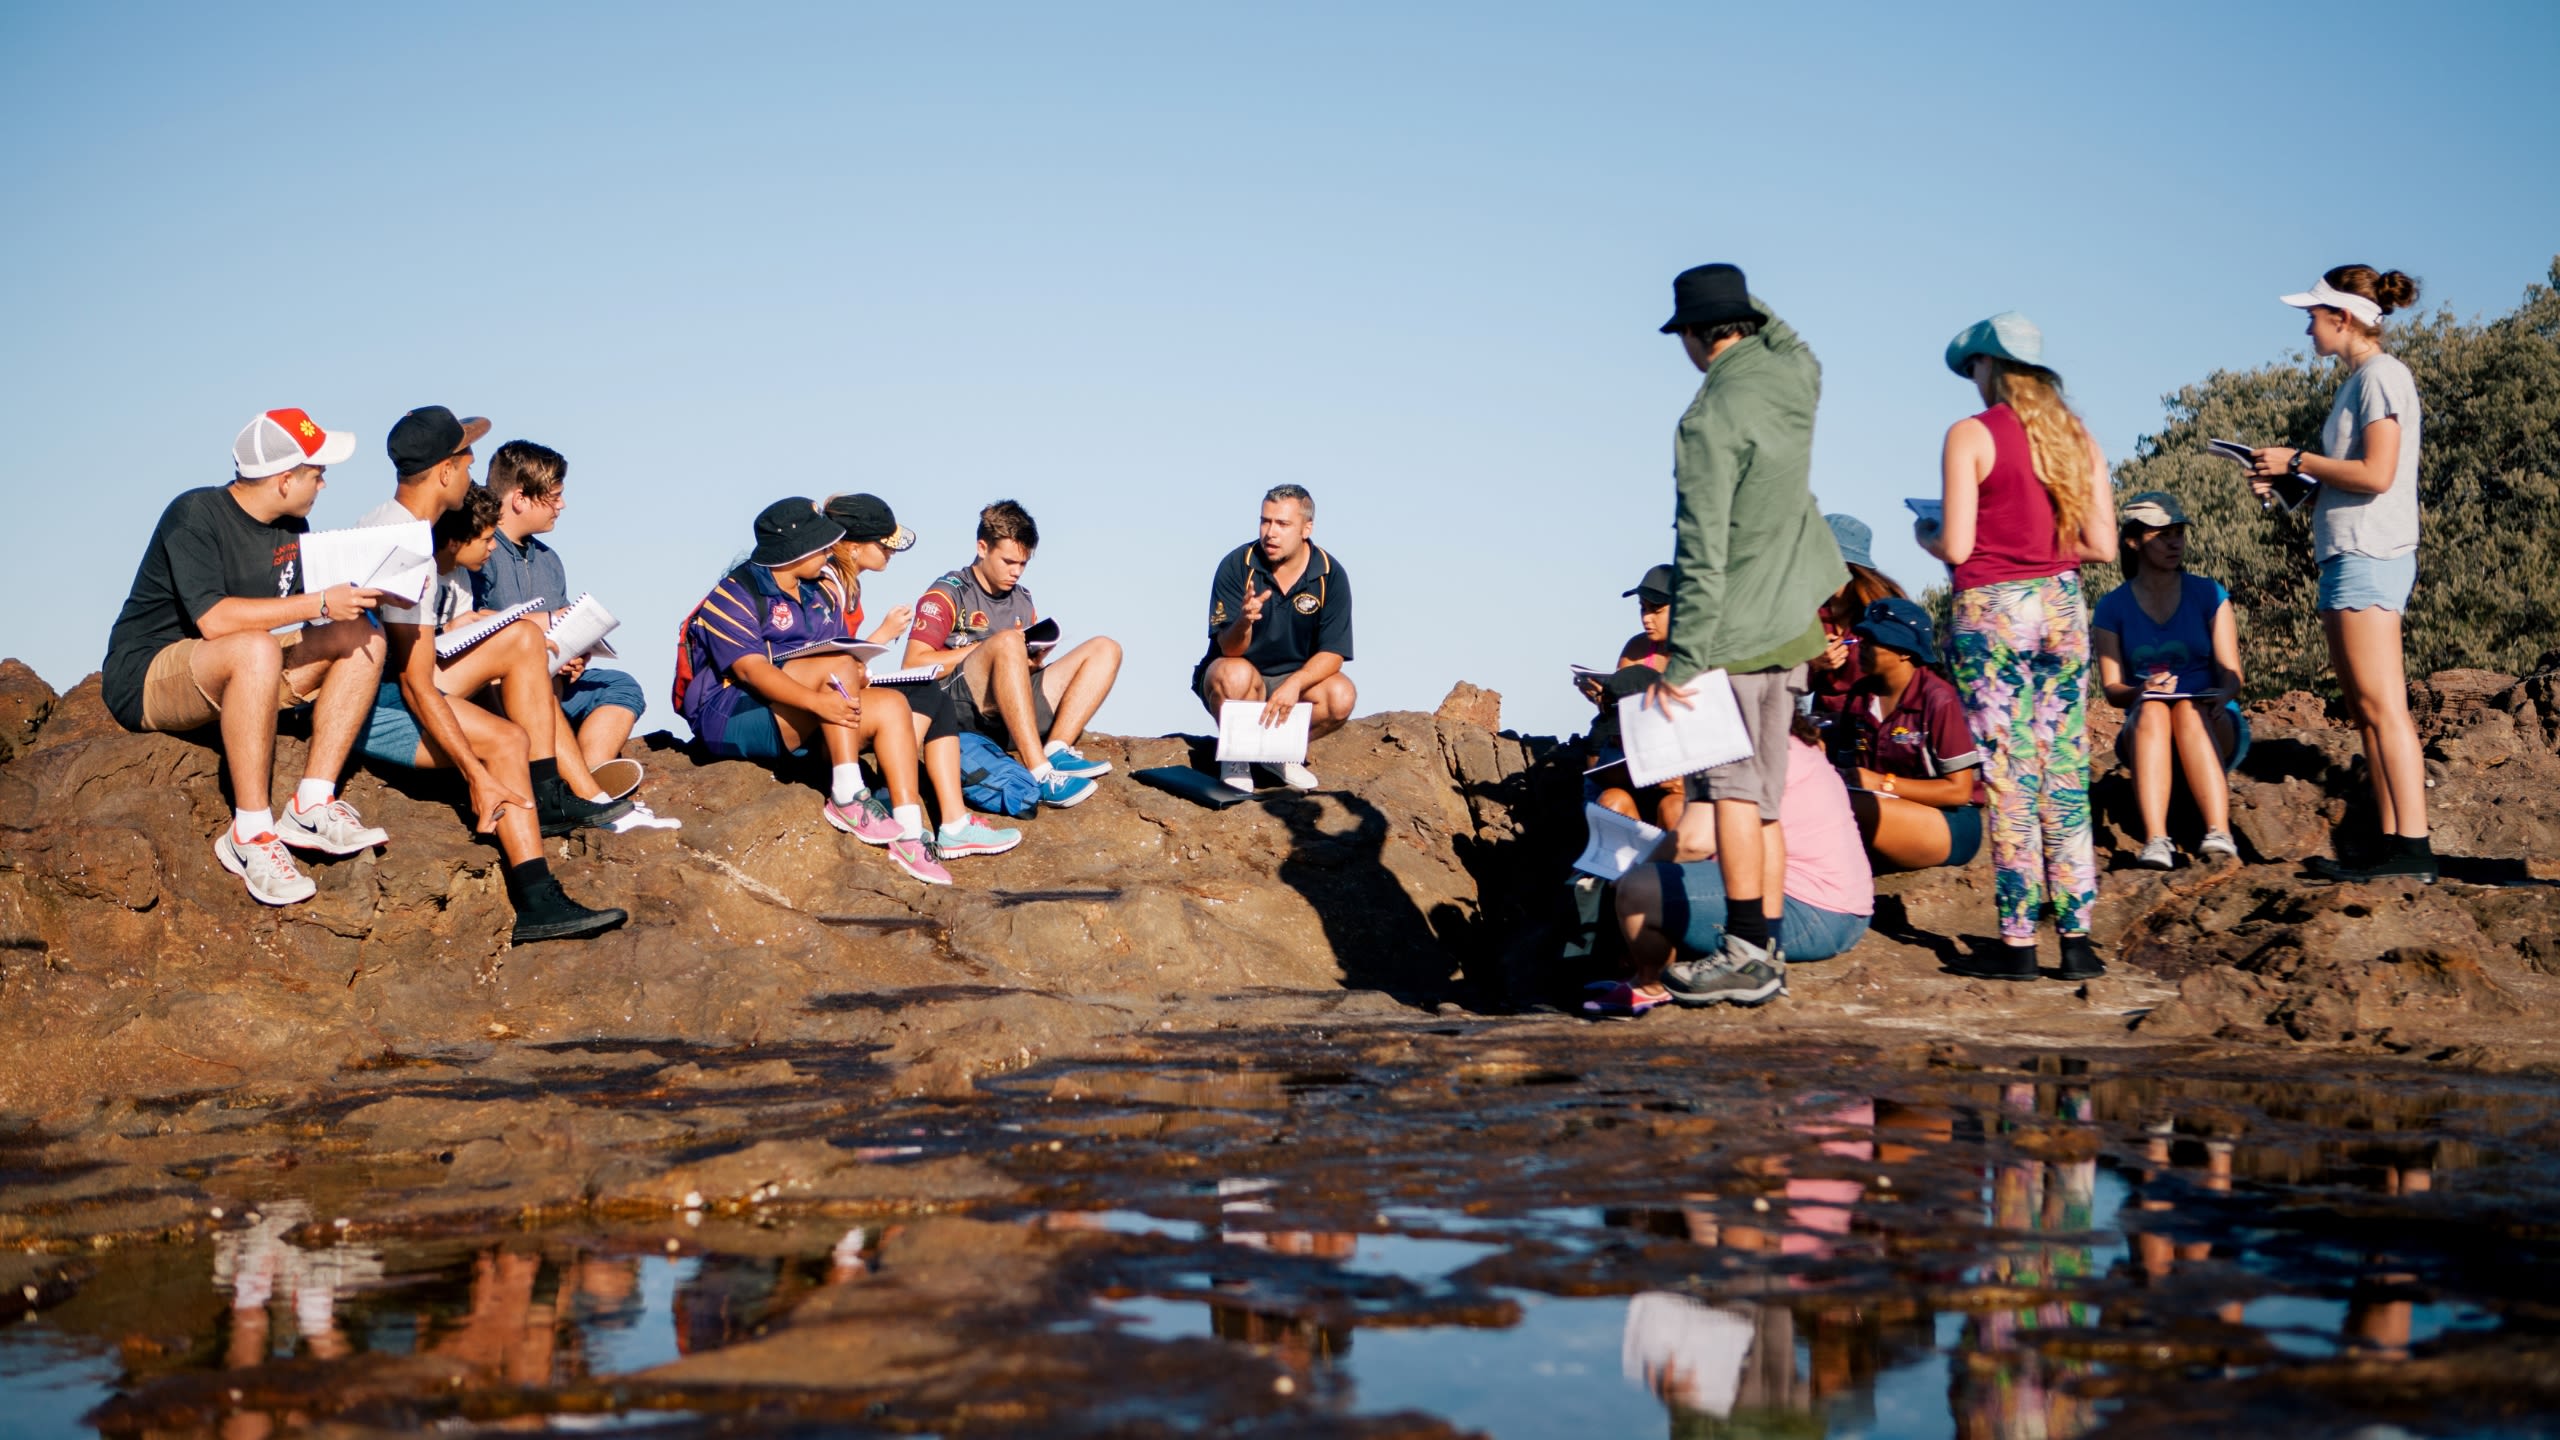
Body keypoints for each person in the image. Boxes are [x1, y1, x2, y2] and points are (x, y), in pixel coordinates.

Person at [1644, 263, 1847, 1008]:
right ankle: (1765, 952)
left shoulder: (1707, 419)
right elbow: (1795, 341)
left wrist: (1683, 660)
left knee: (1731, 796)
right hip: (1793, 623)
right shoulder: (1793, 379)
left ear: (1695, 337)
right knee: (1764, 800)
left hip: (1732, 634)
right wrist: (1736, 298)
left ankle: (1742, 953)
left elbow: (1701, 549)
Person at [350, 406, 625, 942]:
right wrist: (475, 775)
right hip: (372, 703)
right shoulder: (404, 545)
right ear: (446, 472)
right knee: (502, 739)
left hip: (397, 684)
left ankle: (542, 833)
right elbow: (412, 679)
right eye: (468, 461)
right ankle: (537, 891)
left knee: (519, 657)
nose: (477, 477)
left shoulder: (404, 528)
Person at [101, 409, 391, 906]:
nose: (324, 483)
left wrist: (363, 596)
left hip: (236, 668)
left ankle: (312, 804)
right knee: (256, 647)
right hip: (149, 671)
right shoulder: (194, 513)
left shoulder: (292, 525)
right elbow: (214, 620)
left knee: (361, 634)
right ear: (283, 480)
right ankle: (250, 834)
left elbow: (306, 614)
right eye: (317, 472)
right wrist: (319, 602)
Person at [1923, 313, 2116, 981]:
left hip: (1994, 609)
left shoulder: (1970, 435)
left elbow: (1955, 546)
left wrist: (1927, 534)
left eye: (1973, 369)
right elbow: (2103, 546)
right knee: (2063, 772)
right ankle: (2079, 942)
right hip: (2062, 606)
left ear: (1989, 367)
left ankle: (2017, 945)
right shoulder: (2076, 437)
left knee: (2009, 776)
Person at [2250, 266, 2432, 882]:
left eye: (2313, 315)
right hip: (2349, 552)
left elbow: (2378, 474)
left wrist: (2298, 458)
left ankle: (2412, 849)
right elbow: (2352, 479)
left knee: (2384, 706)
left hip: (2369, 555)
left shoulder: (2382, 376)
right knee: (2366, 709)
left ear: (2343, 317)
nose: (2307, 328)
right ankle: (2393, 847)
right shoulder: (2361, 382)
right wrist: (2289, 481)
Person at [678, 498, 951, 885]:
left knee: (891, 705)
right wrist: (820, 699)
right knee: (838, 667)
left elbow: (835, 655)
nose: (829, 551)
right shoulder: (732, 594)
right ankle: (846, 795)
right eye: (822, 546)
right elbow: (749, 670)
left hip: (798, 714)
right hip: (730, 716)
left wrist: (856, 672)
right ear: (794, 551)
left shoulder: (819, 592)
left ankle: (909, 831)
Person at [1590, 718, 1873, 1017]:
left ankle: (1651, 986)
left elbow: (1694, 842)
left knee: (1639, 889)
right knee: (1661, 875)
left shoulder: (1731, 751)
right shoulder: (1778, 740)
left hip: (1809, 912)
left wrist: (1633, 874)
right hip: (1844, 911)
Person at [816, 492, 1023, 861]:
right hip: (822, 710)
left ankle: (953, 824)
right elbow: (823, 659)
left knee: (929, 694)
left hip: (837, 695)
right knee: (920, 692)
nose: (891, 552)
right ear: (853, 545)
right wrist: (880, 636)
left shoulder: (846, 584)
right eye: (884, 544)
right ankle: (897, 803)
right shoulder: (826, 584)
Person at [900, 500, 1120, 808]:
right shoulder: (948, 592)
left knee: (1105, 648)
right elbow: (913, 663)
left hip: (1010, 711)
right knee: (1006, 642)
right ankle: (1040, 772)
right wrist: (990, 647)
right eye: (1008, 562)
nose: (1016, 572)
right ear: (982, 547)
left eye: (1023, 564)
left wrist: (1031, 662)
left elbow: (1014, 664)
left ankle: (1057, 749)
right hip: (960, 707)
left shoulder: (1023, 599)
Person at [470, 440, 649, 772]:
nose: (562, 505)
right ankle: (575, 786)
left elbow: (565, 631)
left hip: (555, 682)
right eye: (553, 497)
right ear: (520, 499)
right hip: (499, 689)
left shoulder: (550, 560)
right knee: (539, 685)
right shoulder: (480, 551)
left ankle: (594, 776)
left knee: (621, 687)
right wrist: (546, 620)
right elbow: (468, 624)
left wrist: (576, 657)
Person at [2092, 491, 2247, 869]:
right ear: (2133, 541)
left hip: (2212, 719)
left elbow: (2232, 674)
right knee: (2154, 711)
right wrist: (2140, 690)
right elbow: (2113, 689)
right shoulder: (2111, 607)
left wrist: (2221, 692)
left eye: (2178, 532)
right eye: (2162, 534)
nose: (2174, 541)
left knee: (2188, 711)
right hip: (2145, 724)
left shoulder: (2210, 594)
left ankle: (2218, 833)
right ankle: (2157, 841)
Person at [1195, 485, 1358, 792]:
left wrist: (1294, 684)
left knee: (1341, 695)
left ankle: (1279, 752)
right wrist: (1244, 621)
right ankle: (1237, 755)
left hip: (1294, 682)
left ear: (1306, 528)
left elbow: (1334, 653)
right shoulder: (1236, 565)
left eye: (1282, 524)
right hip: (1240, 676)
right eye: (1265, 521)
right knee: (1235, 673)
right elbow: (1227, 649)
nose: (1271, 532)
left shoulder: (1330, 574)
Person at [1836, 597, 1985, 872]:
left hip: (1948, 821)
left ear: (1904, 651)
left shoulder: (1939, 699)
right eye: (1862, 638)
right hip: (1887, 810)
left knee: (1843, 805)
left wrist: (1882, 783)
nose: (1862, 647)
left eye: (1873, 640)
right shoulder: (1859, 696)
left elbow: (1959, 791)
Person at [1577, 564, 1685, 829]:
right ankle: (1618, 869)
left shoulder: (1704, 658)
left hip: (1678, 773)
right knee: (1611, 800)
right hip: (1631, 766)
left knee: (1675, 808)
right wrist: (1602, 698)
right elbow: (1615, 715)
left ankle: (1674, 870)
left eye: (1656, 610)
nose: (1646, 618)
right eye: (1642, 608)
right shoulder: (1637, 648)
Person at [1807, 515, 1907, 728]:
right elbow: (1789, 684)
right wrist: (1814, 664)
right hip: (1824, 730)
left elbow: (1904, 680)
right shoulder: (1804, 611)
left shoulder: (1885, 612)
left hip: (1876, 729)